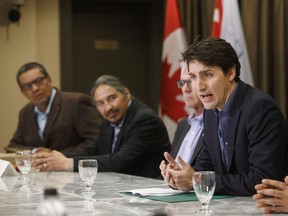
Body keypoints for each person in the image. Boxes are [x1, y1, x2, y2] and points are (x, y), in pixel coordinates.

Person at [160, 37, 288, 195]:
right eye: (193, 77)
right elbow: (205, 166)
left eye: (207, 75)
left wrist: (196, 180)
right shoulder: (210, 112)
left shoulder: (260, 108)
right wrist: (180, 177)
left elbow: (262, 179)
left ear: (230, 73)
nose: (199, 86)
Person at [32, 75, 171, 178]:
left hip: (148, 190)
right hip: (121, 186)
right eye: (100, 103)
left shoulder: (144, 120)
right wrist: (55, 156)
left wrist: (67, 164)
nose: (108, 107)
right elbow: (91, 150)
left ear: (127, 93)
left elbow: (120, 161)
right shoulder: (109, 119)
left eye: (112, 98)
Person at [6, 62, 101, 153]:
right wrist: (35, 151)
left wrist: (56, 154)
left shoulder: (76, 102)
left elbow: (96, 140)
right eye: (28, 86)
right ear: (23, 92)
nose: (35, 89)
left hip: (73, 167)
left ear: (49, 80)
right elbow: (13, 147)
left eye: (39, 81)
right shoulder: (25, 112)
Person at [160, 65, 204, 178]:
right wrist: (171, 171)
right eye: (182, 83)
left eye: (190, 82)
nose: (185, 89)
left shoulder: (218, 123)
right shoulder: (183, 125)